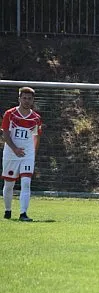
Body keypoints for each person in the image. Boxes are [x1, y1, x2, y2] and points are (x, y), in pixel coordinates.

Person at [2, 87, 43, 222]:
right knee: (9, 184)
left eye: (29, 99)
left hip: (27, 154)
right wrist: (14, 149)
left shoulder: (36, 118)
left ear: (32, 101)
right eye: (24, 98)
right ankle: (8, 210)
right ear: (19, 99)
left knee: (26, 183)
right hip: (11, 153)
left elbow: (36, 136)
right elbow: (6, 134)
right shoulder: (10, 114)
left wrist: (32, 154)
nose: (26, 101)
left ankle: (23, 213)